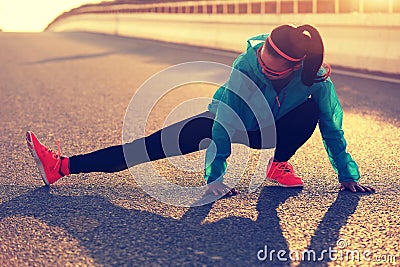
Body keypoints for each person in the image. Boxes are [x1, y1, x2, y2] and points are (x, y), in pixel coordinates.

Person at [26, 24, 375, 197]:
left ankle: (278, 163)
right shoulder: (246, 65)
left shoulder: (316, 81)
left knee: (310, 112)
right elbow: (224, 122)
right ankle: (62, 167)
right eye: (265, 52)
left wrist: (346, 174)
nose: (265, 63)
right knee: (148, 147)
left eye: (277, 61)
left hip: (276, 129)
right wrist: (215, 176)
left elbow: (333, 127)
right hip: (227, 120)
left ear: (298, 65)